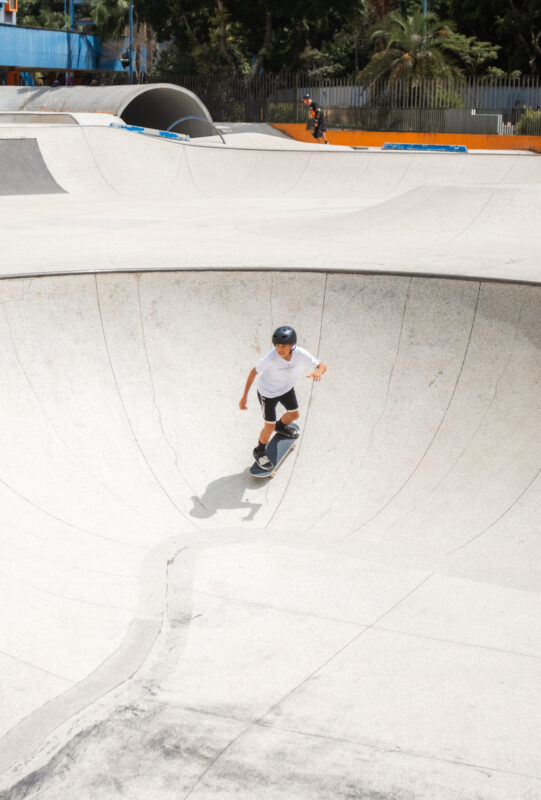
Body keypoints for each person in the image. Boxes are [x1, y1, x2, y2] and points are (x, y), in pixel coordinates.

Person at [239, 326, 327, 470]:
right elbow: (253, 372)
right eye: (278, 345)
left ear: (292, 345)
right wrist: (244, 397)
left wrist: (319, 372)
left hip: (286, 389)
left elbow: (321, 365)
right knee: (269, 426)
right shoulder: (270, 358)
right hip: (267, 393)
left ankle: (280, 427)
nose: (280, 349)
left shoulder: (301, 354)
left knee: (294, 415)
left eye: (284, 346)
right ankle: (259, 450)